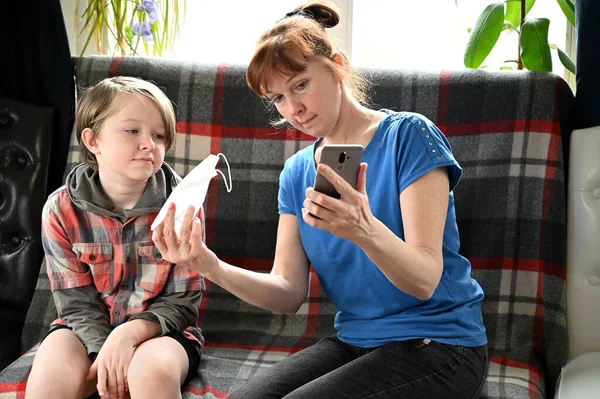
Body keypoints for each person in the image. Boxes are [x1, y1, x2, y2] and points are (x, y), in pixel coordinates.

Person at [153, 1, 488, 398]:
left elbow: (425, 280)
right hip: (358, 340)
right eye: (277, 98)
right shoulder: (296, 173)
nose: (293, 109)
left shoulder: (409, 136)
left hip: (443, 343)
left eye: (300, 85)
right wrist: (208, 264)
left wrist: (364, 231)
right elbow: (287, 292)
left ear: (337, 66)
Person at [26, 76, 204, 399]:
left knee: (149, 374)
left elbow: (182, 302)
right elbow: (76, 303)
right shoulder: (59, 210)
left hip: (160, 332)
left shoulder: (183, 207)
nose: (149, 143)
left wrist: (129, 336)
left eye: (159, 135)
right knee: (52, 376)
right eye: (132, 131)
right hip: (84, 329)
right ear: (93, 140)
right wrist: (105, 352)